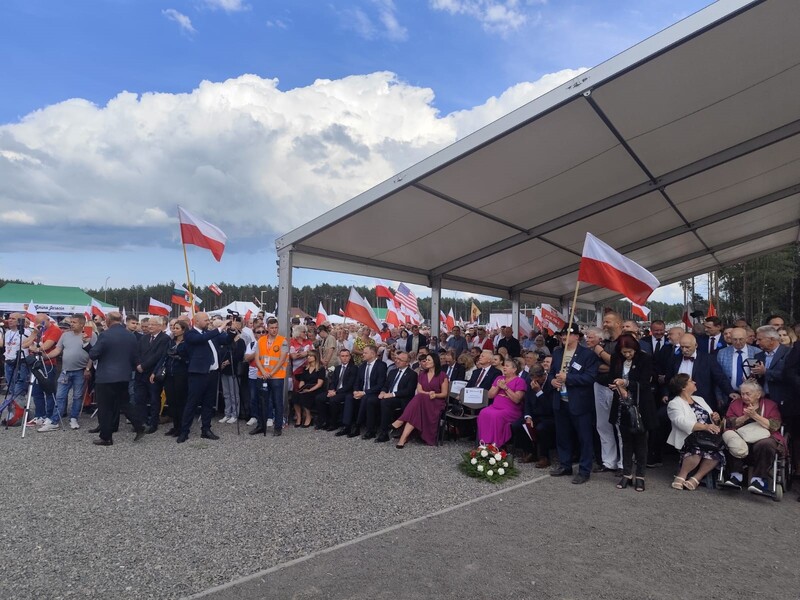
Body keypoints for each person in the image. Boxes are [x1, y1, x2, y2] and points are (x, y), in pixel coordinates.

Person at [547, 324, 600, 485]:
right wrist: (552, 381)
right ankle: (565, 465)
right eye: (563, 334)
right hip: (560, 401)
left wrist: (568, 379)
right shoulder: (557, 353)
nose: (564, 337)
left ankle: (584, 470)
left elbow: (590, 378)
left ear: (577, 336)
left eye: (569, 334)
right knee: (563, 436)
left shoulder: (587, 355)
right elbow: (550, 373)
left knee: (584, 437)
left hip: (579, 402)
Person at [609, 334, 657, 492]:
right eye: (624, 352)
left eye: (630, 352)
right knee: (626, 441)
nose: (627, 355)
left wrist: (627, 383)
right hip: (621, 404)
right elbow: (611, 376)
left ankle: (641, 475)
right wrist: (616, 384)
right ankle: (627, 473)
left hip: (640, 404)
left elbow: (645, 382)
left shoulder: (645, 358)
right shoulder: (616, 358)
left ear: (635, 348)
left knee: (641, 442)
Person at [87, 311, 144, 446]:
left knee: (105, 407)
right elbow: (134, 356)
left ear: (108, 320)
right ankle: (139, 425)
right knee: (125, 403)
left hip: (106, 377)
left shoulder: (105, 335)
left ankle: (106, 437)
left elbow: (94, 354)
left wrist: (86, 344)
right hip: (124, 375)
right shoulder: (130, 336)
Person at [177, 312, 232, 443]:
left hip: (212, 373)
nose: (208, 322)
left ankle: (206, 429)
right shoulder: (190, 334)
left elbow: (226, 340)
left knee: (208, 403)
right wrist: (220, 327)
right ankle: (184, 431)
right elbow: (201, 339)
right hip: (198, 374)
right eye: (206, 320)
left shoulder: (211, 334)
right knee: (192, 403)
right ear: (196, 321)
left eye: (209, 320)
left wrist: (232, 331)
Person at [722, 380, 784, 494]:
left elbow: (775, 425)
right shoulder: (736, 404)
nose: (744, 397)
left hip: (763, 436)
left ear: (758, 394)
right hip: (740, 434)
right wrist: (745, 417)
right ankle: (736, 476)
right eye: (742, 393)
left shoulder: (770, 405)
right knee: (732, 439)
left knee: (766, 444)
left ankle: (758, 480)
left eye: (748, 394)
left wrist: (755, 416)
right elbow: (729, 423)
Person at [666, 374, 723, 491]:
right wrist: (705, 426)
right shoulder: (674, 403)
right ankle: (682, 475)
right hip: (689, 436)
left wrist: (715, 419)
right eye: (691, 381)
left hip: (707, 435)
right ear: (683, 387)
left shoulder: (699, 399)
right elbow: (680, 422)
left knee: (717, 452)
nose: (695, 383)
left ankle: (696, 478)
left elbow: (711, 418)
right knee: (697, 450)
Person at [44, 314, 96, 430]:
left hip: (81, 370)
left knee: (77, 396)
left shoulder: (91, 335)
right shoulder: (65, 335)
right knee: (60, 396)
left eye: (74, 322)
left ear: (82, 324)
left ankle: (74, 418)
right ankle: (55, 420)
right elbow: (58, 349)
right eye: (71, 322)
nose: (71, 324)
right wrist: (45, 356)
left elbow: (93, 354)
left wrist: (88, 369)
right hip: (65, 370)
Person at [392, 352, 449, 448]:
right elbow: (419, 390)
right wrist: (428, 394)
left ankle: (401, 421)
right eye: (425, 360)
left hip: (436, 402)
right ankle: (403, 438)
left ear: (435, 362)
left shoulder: (442, 375)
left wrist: (434, 395)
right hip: (423, 401)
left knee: (419, 399)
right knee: (417, 405)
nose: (426, 362)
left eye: (428, 360)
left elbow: (444, 394)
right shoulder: (422, 374)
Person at [23, 313, 62, 429]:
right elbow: (24, 345)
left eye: (41, 323)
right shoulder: (39, 331)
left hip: (48, 364)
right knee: (36, 391)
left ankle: (49, 416)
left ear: (47, 320)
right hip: (36, 364)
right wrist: (34, 333)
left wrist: (35, 348)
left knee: (49, 391)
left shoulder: (54, 329)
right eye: (36, 322)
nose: (39, 325)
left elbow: (46, 346)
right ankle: (40, 415)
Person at [476, 358, 526, 448]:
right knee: (483, 412)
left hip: (511, 410)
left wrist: (505, 388)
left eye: (507, 366)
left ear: (514, 369)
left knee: (496, 416)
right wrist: (498, 387)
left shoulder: (520, 381)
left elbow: (517, 399)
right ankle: (484, 442)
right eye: (504, 366)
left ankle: (495, 444)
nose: (504, 367)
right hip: (495, 407)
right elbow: (490, 395)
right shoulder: (499, 378)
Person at [253, 317, 289, 436]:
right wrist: (263, 371)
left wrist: (271, 373)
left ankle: (278, 427)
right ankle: (260, 425)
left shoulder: (283, 341)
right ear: (267, 328)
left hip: (277, 376)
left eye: (276, 328)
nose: (274, 330)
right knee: (261, 401)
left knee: (277, 402)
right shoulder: (261, 340)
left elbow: (282, 359)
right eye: (272, 328)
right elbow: (257, 358)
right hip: (262, 375)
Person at [134, 316, 170, 434]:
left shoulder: (164, 339)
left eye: (153, 324)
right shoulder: (144, 338)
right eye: (149, 324)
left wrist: (144, 366)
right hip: (140, 374)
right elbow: (137, 352)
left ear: (160, 326)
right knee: (140, 398)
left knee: (154, 399)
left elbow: (158, 356)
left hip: (153, 374)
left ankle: (153, 423)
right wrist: (138, 364)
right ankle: (141, 422)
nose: (149, 327)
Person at [375, 351, 418, 442]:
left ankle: (384, 433)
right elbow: (386, 385)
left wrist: (392, 394)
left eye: (400, 360)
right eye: (396, 358)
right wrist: (383, 391)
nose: (397, 361)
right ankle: (370, 428)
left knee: (385, 402)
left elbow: (408, 391)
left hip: (401, 399)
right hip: (388, 396)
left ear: (407, 363)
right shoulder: (393, 372)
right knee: (371, 400)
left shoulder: (412, 374)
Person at [348, 344, 388, 438]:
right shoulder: (362, 366)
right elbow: (357, 382)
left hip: (375, 393)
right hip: (362, 392)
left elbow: (380, 384)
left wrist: (364, 392)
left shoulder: (381, 365)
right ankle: (347, 425)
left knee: (367, 399)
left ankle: (364, 428)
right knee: (349, 397)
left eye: (365, 353)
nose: (363, 354)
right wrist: (356, 391)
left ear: (373, 354)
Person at [159, 320, 189, 437]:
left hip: (181, 374)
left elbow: (188, 358)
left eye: (177, 328)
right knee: (171, 401)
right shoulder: (171, 342)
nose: (174, 330)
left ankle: (182, 427)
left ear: (183, 329)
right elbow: (164, 356)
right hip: (169, 374)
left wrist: (180, 357)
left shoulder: (187, 343)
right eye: (173, 328)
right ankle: (175, 426)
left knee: (180, 401)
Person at [326, 349, 359, 432]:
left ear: (350, 357)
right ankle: (325, 420)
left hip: (346, 392)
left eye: (346, 356)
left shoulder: (353, 368)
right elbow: (333, 381)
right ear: (339, 357)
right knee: (319, 398)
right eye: (342, 356)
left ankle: (334, 423)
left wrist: (335, 392)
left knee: (333, 400)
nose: (344, 358)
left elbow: (349, 385)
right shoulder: (337, 368)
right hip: (335, 391)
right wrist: (331, 390)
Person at [294, 349, 326, 428]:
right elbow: (302, 381)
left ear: (315, 357)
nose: (308, 357)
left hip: (316, 389)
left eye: (311, 356)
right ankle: (299, 417)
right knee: (295, 395)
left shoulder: (321, 369)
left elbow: (319, 384)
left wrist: (309, 390)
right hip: (306, 388)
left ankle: (308, 416)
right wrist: (301, 388)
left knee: (305, 395)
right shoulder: (305, 368)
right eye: (308, 356)